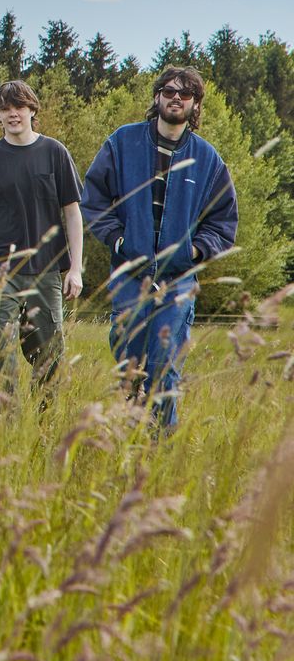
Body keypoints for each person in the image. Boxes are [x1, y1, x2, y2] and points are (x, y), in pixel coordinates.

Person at [81, 66, 238, 429]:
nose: (176, 99)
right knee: (129, 363)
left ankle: (159, 446)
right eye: (169, 91)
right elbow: (94, 200)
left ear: (195, 105)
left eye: (186, 94)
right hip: (129, 274)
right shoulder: (122, 143)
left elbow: (223, 222)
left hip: (178, 279)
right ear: (157, 97)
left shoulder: (208, 159)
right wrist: (119, 241)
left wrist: (194, 253)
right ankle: (130, 436)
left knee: (164, 365)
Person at [0, 80, 84, 398]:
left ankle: (43, 432)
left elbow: (72, 214)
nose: (12, 114)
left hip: (46, 269)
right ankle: (7, 428)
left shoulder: (55, 153)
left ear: (32, 110)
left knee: (49, 358)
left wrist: (76, 269)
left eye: (18, 107)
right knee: (1, 353)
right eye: (4, 109)